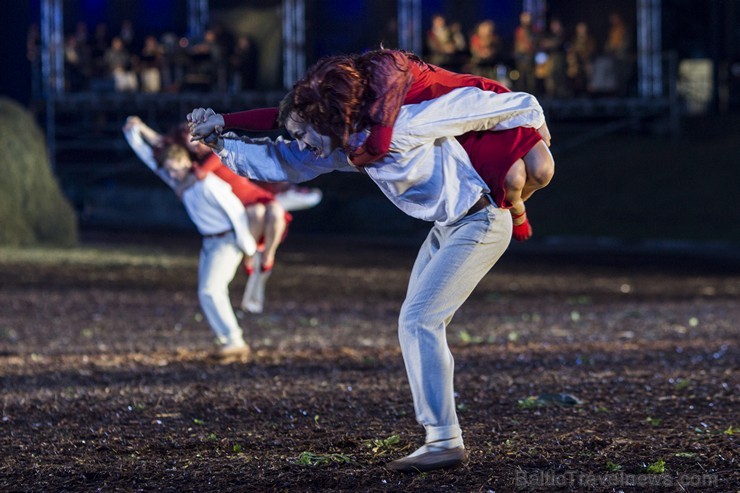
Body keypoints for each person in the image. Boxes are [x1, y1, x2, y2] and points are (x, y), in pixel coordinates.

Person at [187, 55, 547, 472]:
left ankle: (444, 441)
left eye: (304, 134)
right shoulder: (350, 146)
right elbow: (285, 159)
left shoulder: (402, 125)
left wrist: (534, 123)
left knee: (419, 321)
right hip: (449, 226)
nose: (302, 143)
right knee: (414, 324)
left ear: (325, 120)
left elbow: (479, 107)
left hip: (481, 221)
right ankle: (442, 437)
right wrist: (220, 142)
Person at [190, 49, 553, 242]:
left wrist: (532, 113)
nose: (302, 143)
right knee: (515, 179)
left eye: (305, 134)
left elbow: (382, 142)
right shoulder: (343, 125)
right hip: (442, 136)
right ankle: (512, 206)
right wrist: (222, 128)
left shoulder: (387, 82)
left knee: (540, 170)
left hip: (462, 105)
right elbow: (284, 131)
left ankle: (514, 210)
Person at [123, 116, 286, 359]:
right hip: (210, 241)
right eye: (170, 170)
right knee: (207, 292)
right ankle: (229, 339)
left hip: (227, 240)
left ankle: (233, 340)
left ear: (188, 163)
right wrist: (132, 133)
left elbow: (235, 211)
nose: (174, 174)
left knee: (211, 290)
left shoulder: (208, 183)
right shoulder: (177, 180)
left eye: (178, 168)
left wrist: (248, 248)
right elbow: (148, 157)